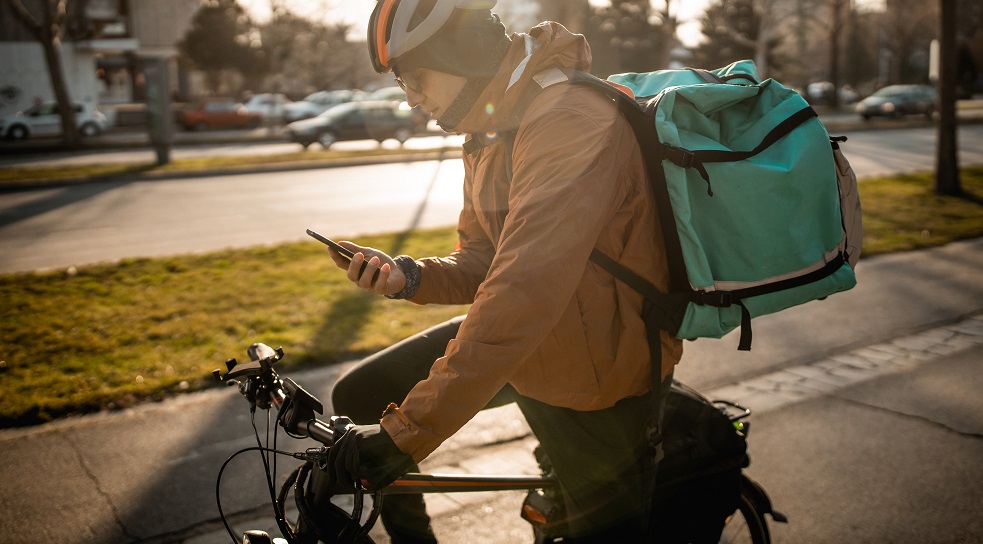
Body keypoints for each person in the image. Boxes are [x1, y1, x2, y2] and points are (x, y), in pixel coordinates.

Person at [325, 1, 682, 541]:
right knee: (361, 395)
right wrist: (408, 276)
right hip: (534, 348)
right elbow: (482, 260)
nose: (410, 98)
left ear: (459, 53)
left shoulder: (568, 117)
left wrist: (407, 436)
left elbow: (522, 287)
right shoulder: (490, 129)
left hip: (598, 379)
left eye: (415, 78)